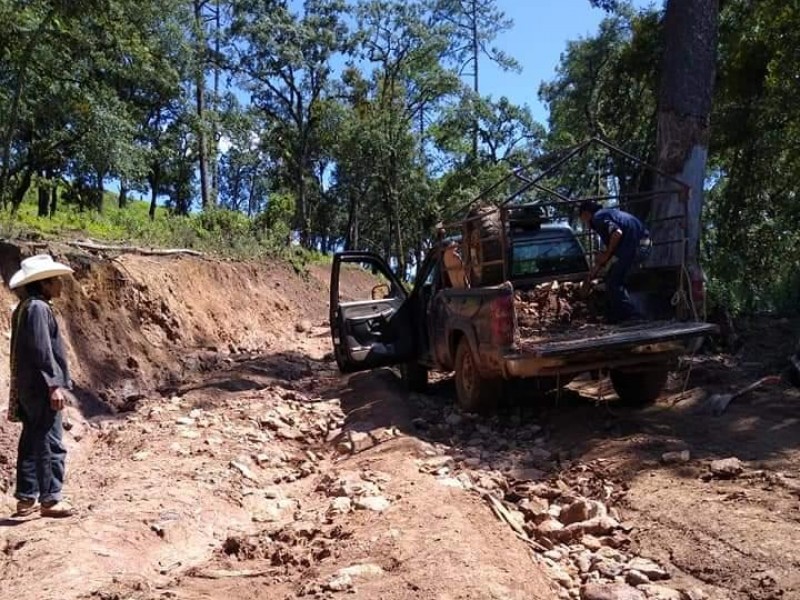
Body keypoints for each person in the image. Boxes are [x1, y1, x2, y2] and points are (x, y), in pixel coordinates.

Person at [7, 254, 75, 518]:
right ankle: (50, 499)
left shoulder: (26, 306)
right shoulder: (38, 308)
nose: (60, 285)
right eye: (56, 280)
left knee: (32, 439)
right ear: (44, 284)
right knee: (50, 441)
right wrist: (53, 386)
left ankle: (26, 498)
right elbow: (41, 350)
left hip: (29, 387)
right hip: (39, 388)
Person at [579, 201, 651, 323]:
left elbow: (617, 233)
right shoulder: (608, 214)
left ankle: (633, 316)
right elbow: (613, 248)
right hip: (640, 244)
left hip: (635, 246)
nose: (586, 225)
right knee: (613, 276)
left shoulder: (598, 218)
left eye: (584, 220)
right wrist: (596, 269)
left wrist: (606, 255)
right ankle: (617, 315)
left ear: (586, 214)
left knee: (614, 281)